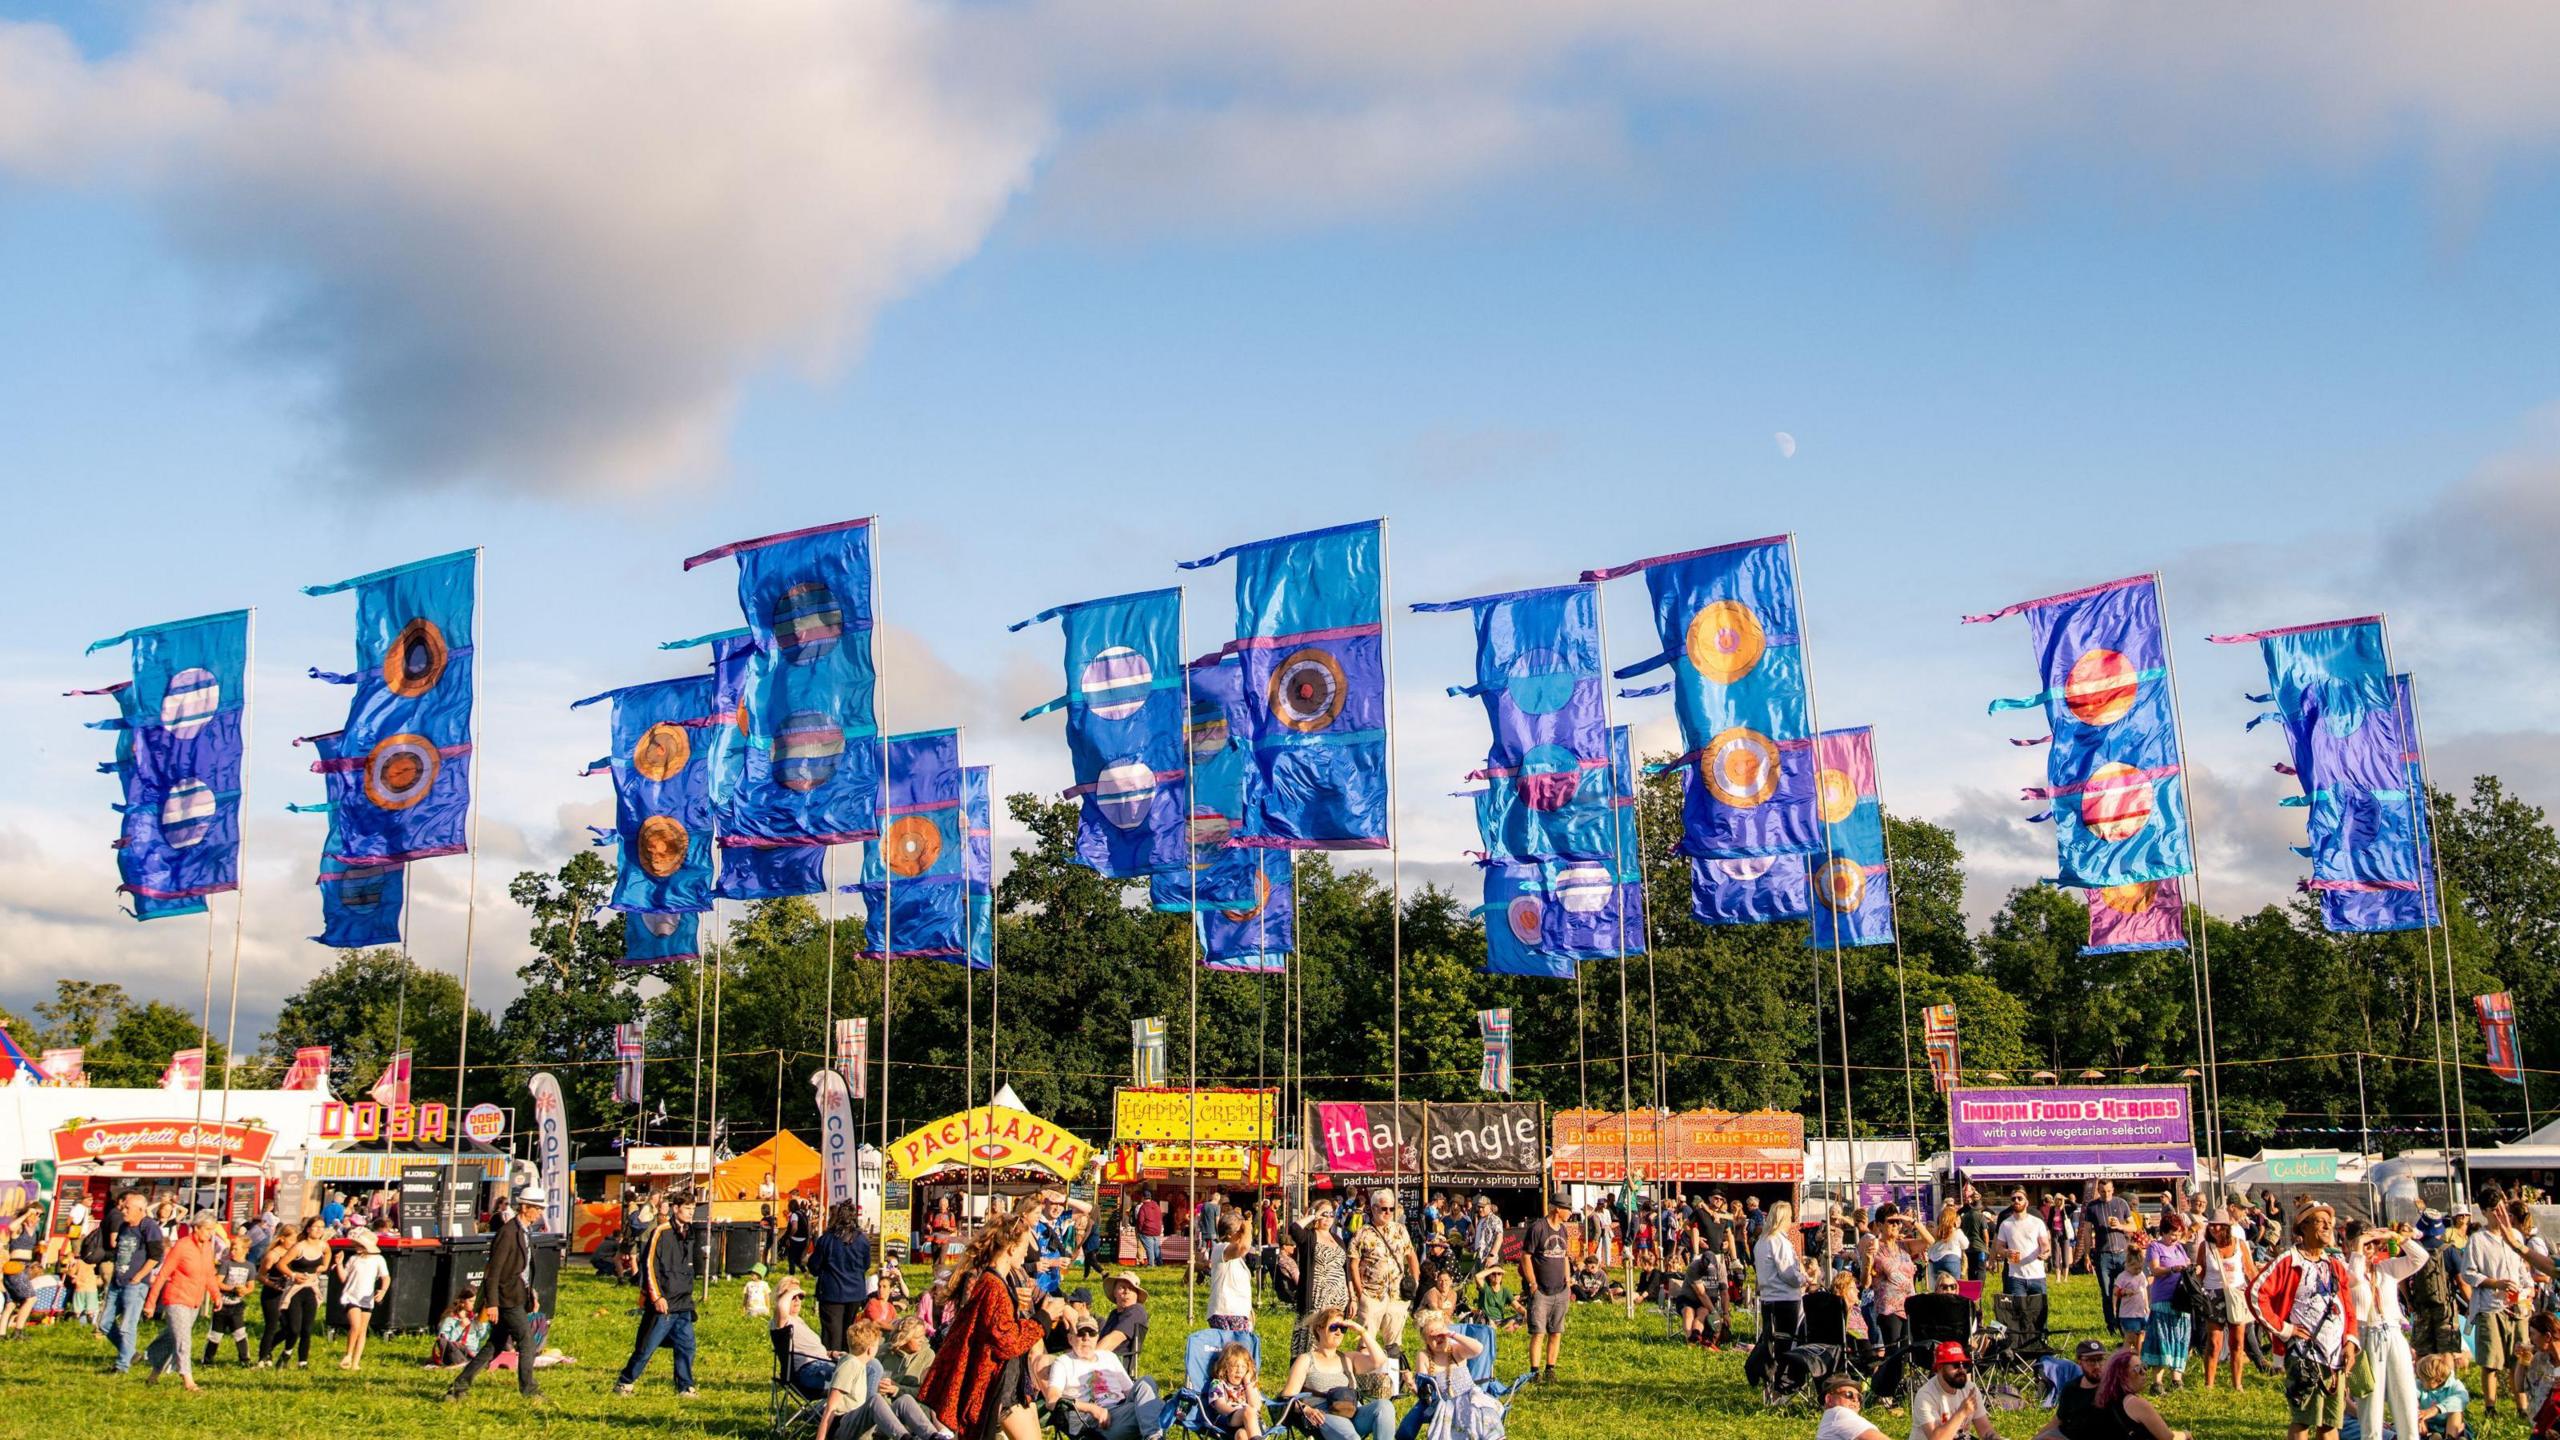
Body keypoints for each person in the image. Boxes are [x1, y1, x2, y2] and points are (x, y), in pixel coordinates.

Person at [920, 1203, 1065, 1440]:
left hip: (1012, 1382)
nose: (1026, 1253)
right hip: (998, 1384)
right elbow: (1006, 1341)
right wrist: (1043, 1319)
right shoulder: (992, 1285)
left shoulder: (999, 1282)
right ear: (1009, 1247)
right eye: (1024, 1247)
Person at [2250, 1203, 2359, 1440]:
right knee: (2303, 1420)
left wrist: (2350, 1341)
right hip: (2304, 1355)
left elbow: (2347, 1306)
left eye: (2329, 1221)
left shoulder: (2334, 1264)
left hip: (2334, 1355)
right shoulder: (2290, 1260)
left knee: (2329, 1422)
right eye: (2320, 1221)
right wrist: (2284, 1329)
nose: (2328, 1225)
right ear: (2304, 1227)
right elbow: (2256, 1293)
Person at [443, 1186, 549, 1404]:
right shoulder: (508, 1232)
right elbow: (493, 1272)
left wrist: (532, 1294)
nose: (539, 1212)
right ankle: (529, 1390)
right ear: (525, 1207)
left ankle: (459, 1387)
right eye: (537, 1208)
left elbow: (523, 1269)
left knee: (495, 1345)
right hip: (506, 1299)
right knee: (527, 1343)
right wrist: (492, 1304)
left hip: (518, 1296)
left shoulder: (523, 1231)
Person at [615, 1186, 700, 1397]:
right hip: (664, 1302)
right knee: (646, 1347)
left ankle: (685, 1386)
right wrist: (657, 1296)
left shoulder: (690, 1233)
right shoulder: (661, 1232)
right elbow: (649, 1265)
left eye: (693, 1208)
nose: (691, 1212)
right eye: (687, 1208)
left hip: (683, 1302)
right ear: (676, 1208)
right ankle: (625, 1382)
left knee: (687, 1346)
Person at [2349, 1222, 2429, 1440]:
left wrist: (2397, 1237)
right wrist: (2358, 1248)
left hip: (2393, 1332)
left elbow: (2420, 1258)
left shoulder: (2388, 1268)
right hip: (2366, 1335)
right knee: (2370, 1403)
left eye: (2374, 1244)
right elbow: (2353, 1281)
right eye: (2367, 1244)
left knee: (2406, 1396)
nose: (2371, 1249)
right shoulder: (2347, 1267)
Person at [1279, 1307, 1397, 1440]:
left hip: (1352, 1411)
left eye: (1343, 1328)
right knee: (1351, 1438)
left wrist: (1362, 1331)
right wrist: (1307, 1410)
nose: (1339, 1332)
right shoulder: (1306, 1360)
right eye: (1334, 1327)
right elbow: (1288, 1397)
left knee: (1385, 1406)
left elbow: (1380, 1361)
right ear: (1319, 1329)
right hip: (1325, 1414)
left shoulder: (1348, 1358)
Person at [1041, 1310, 1151, 1440]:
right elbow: (1052, 1400)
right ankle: (1161, 1422)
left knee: (1146, 1383)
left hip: (1121, 1410)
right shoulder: (1064, 1362)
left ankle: (1155, 1435)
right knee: (1151, 1411)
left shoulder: (1109, 1357)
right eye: (1081, 1333)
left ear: (1097, 1338)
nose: (1087, 1338)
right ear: (1070, 1339)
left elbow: (1131, 1392)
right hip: (1092, 1424)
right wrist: (1092, 1409)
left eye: (1092, 1333)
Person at [141, 1211, 220, 1392]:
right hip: (176, 1299)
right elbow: (162, 1275)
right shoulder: (182, 1246)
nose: (210, 1234)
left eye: (212, 1230)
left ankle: (152, 1372)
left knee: (171, 1337)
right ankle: (188, 1380)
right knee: (184, 1340)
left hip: (195, 1300)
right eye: (207, 1230)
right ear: (197, 1228)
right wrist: (151, 1303)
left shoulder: (208, 1247)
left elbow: (209, 1273)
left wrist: (216, 1295)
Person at [2467, 1202, 2534, 1410]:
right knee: (2491, 1361)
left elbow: (2522, 1269)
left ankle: (2522, 1408)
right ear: (2485, 1212)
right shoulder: (2477, 1239)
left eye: (2501, 1209)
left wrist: (2529, 1287)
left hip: (2517, 1305)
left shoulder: (2515, 1236)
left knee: (2521, 1357)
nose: (2499, 1214)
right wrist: (2496, 1283)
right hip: (2490, 1306)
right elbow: (2468, 1273)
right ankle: (2490, 1408)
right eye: (2494, 1210)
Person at [99, 1189, 166, 1374]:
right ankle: (130, 1353)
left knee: (127, 1326)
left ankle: (122, 1366)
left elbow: (156, 1255)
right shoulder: (124, 1227)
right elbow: (120, 1252)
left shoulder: (149, 1226)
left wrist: (139, 1276)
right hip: (117, 1281)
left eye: (127, 1208)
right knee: (104, 1323)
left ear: (140, 1209)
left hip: (135, 1285)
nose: (123, 1211)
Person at [1350, 1188, 1418, 1359]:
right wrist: (1360, 1294)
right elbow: (1353, 1264)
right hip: (1372, 1295)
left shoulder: (1400, 1230)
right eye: (1384, 1209)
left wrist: (1414, 1282)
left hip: (1397, 1296)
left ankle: (1393, 1381)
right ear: (1373, 1208)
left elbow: (1411, 1255)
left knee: (1394, 1345)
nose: (1388, 1212)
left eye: (1391, 1209)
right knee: (1366, 1342)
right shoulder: (1363, 1232)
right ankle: (1365, 1381)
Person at [1752, 1200, 1809, 1387]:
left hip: (1768, 1297)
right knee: (1787, 1343)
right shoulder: (1779, 1241)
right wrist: (1804, 1278)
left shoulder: (1762, 1241)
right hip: (1785, 1298)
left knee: (1771, 1342)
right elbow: (1788, 1273)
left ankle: (1770, 1377)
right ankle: (1782, 1382)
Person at [258, 1216, 328, 1369]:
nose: (318, 1230)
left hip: (301, 1289)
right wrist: (290, 1276)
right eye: (315, 1227)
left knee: (298, 1328)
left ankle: (299, 1360)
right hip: (283, 1291)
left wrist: (323, 1267)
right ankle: (264, 1356)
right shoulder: (281, 1252)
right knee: (281, 1327)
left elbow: (326, 1253)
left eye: (321, 1227)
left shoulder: (319, 1246)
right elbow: (268, 1271)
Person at [1519, 1191, 1573, 1383]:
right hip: (1541, 1290)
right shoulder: (1538, 1228)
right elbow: (1526, 1256)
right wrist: (1532, 1284)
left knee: (1556, 1331)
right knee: (1538, 1332)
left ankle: (1550, 1369)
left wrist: (1568, 1279)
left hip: (1561, 1290)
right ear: (1558, 1209)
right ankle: (1535, 1372)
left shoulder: (1564, 1230)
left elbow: (1565, 1255)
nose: (1570, 1213)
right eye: (1568, 1209)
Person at [1289, 1201, 1352, 1364]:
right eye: (1324, 1213)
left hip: (1338, 1300)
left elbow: (1347, 1270)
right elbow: (1294, 1229)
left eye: (1331, 1214)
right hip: (1317, 1299)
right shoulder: (1309, 1236)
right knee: (1312, 1339)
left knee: (1331, 1338)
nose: (1329, 1217)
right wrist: (1311, 1216)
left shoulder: (1338, 1239)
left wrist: (1353, 1298)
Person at [813, 1199, 875, 1353]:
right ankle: (849, 1365)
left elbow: (814, 1266)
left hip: (831, 1293)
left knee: (832, 1336)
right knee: (849, 1335)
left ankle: (831, 1369)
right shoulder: (862, 1240)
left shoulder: (826, 1240)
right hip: (855, 1293)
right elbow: (866, 1265)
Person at [2140, 1214, 2193, 1387]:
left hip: (2181, 1299)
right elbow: (2155, 1269)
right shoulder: (2155, 1247)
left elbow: (2188, 1263)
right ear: (2164, 1231)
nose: (2175, 1236)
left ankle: (2177, 1379)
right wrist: (2172, 1269)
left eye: (2178, 1233)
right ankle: (2157, 1382)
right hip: (2163, 1298)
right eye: (2172, 1233)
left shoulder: (2179, 1248)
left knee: (2180, 1338)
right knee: (2162, 1339)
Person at [1908, 1341, 1999, 1440]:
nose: (1961, 1369)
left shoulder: (1970, 1389)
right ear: (1940, 1367)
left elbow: (1985, 1430)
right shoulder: (1926, 1396)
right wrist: (1962, 1412)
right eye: (1956, 1365)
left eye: (1964, 1364)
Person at [2086, 1182, 2134, 1333]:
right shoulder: (2092, 1207)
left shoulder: (2121, 1204)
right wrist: (2087, 1255)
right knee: (2106, 1292)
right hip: (2103, 1255)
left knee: (2122, 1291)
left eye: (2108, 1191)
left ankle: (2122, 1323)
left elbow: (2133, 1226)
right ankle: (2110, 1325)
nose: (2105, 1194)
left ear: (2113, 1190)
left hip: (2121, 1253)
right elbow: (2087, 1232)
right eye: (2102, 1191)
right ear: (2098, 1191)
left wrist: (2120, 1226)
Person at [1203, 1340, 1266, 1439]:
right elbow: (1220, 1406)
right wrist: (1239, 1412)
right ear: (1225, 1367)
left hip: (1254, 1426)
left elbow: (1256, 1406)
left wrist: (1247, 1382)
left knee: (1242, 1435)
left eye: (1244, 1366)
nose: (1239, 1370)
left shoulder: (1249, 1385)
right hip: (1229, 1420)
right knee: (1247, 1411)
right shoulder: (1218, 1384)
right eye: (1235, 1366)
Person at [1997, 1188, 2053, 1297]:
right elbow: (1999, 1247)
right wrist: (2006, 1252)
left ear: (2026, 1202)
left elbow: (2045, 1244)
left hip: (2037, 1275)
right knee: (2019, 1311)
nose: (2016, 1201)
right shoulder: (2005, 1224)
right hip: (2016, 1276)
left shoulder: (2037, 1222)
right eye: (2013, 1199)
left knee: (2039, 1312)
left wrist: (2045, 1253)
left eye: (2020, 1198)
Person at [1820, 1372, 1893, 1440]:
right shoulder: (1839, 1413)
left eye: (1859, 1397)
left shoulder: (1829, 1420)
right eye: (1849, 1394)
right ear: (1829, 1399)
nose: (1855, 1399)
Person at [2415, 1350, 2469, 1438]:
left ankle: (2450, 1438)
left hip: (2449, 1427)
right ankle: (2430, 1437)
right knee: (2415, 1411)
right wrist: (2418, 1418)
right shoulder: (2420, 1385)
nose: (2420, 1380)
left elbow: (2462, 1397)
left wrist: (2436, 1409)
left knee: (2456, 1411)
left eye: (2423, 1379)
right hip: (2428, 1426)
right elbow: (2411, 1396)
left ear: (2437, 1380)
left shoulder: (2454, 1385)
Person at [1098, 1271, 1151, 1360]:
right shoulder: (1114, 1314)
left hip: (1117, 1366)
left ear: (1136, 1295)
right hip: (1103, 1362)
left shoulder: (1137, 1311)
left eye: (1131, 1289)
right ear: (1115, 1293)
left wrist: (1087, 1361)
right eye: (1122, 1287)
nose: (1126, 1292)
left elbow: (1114, 1339)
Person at [2113, 1251, 2152, 1345]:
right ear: (2128, 1265)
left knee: (2142, 1335)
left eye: (2140, 1268)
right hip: (2128, 1313)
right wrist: (2124, 1291)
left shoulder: (2141, 1275)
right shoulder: (2122, 1277)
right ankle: (2128, 1354)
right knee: (2131, 1337)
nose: (2138, 1271)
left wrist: (2147, 1306)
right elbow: (2115, 1292)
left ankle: (2139, 1355)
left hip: (2141, 1312)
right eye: (2135, 1269)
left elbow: (2144, 1291)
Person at [1925, 1206, 1965, 1293]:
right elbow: (1965, 1245)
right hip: (1952, 1260)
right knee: (1954, 1287)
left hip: (1936, 1261)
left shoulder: (1935, 1231)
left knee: (1938, 1287)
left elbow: (1929, 1244)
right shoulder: (1956, 1231)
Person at [1135, 1190, 1166, 1268]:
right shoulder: (1156, 1206)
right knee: (1156, 1248)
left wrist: (1139, 1231)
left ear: (1143, 1198)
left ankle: (1151, 1264)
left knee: (1150, 1249)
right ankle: (1159, 1263)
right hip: (1157, 1230)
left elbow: (1140, 1220)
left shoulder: (1143, 1207)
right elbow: (1160, 1217)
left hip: (1147, 1231)